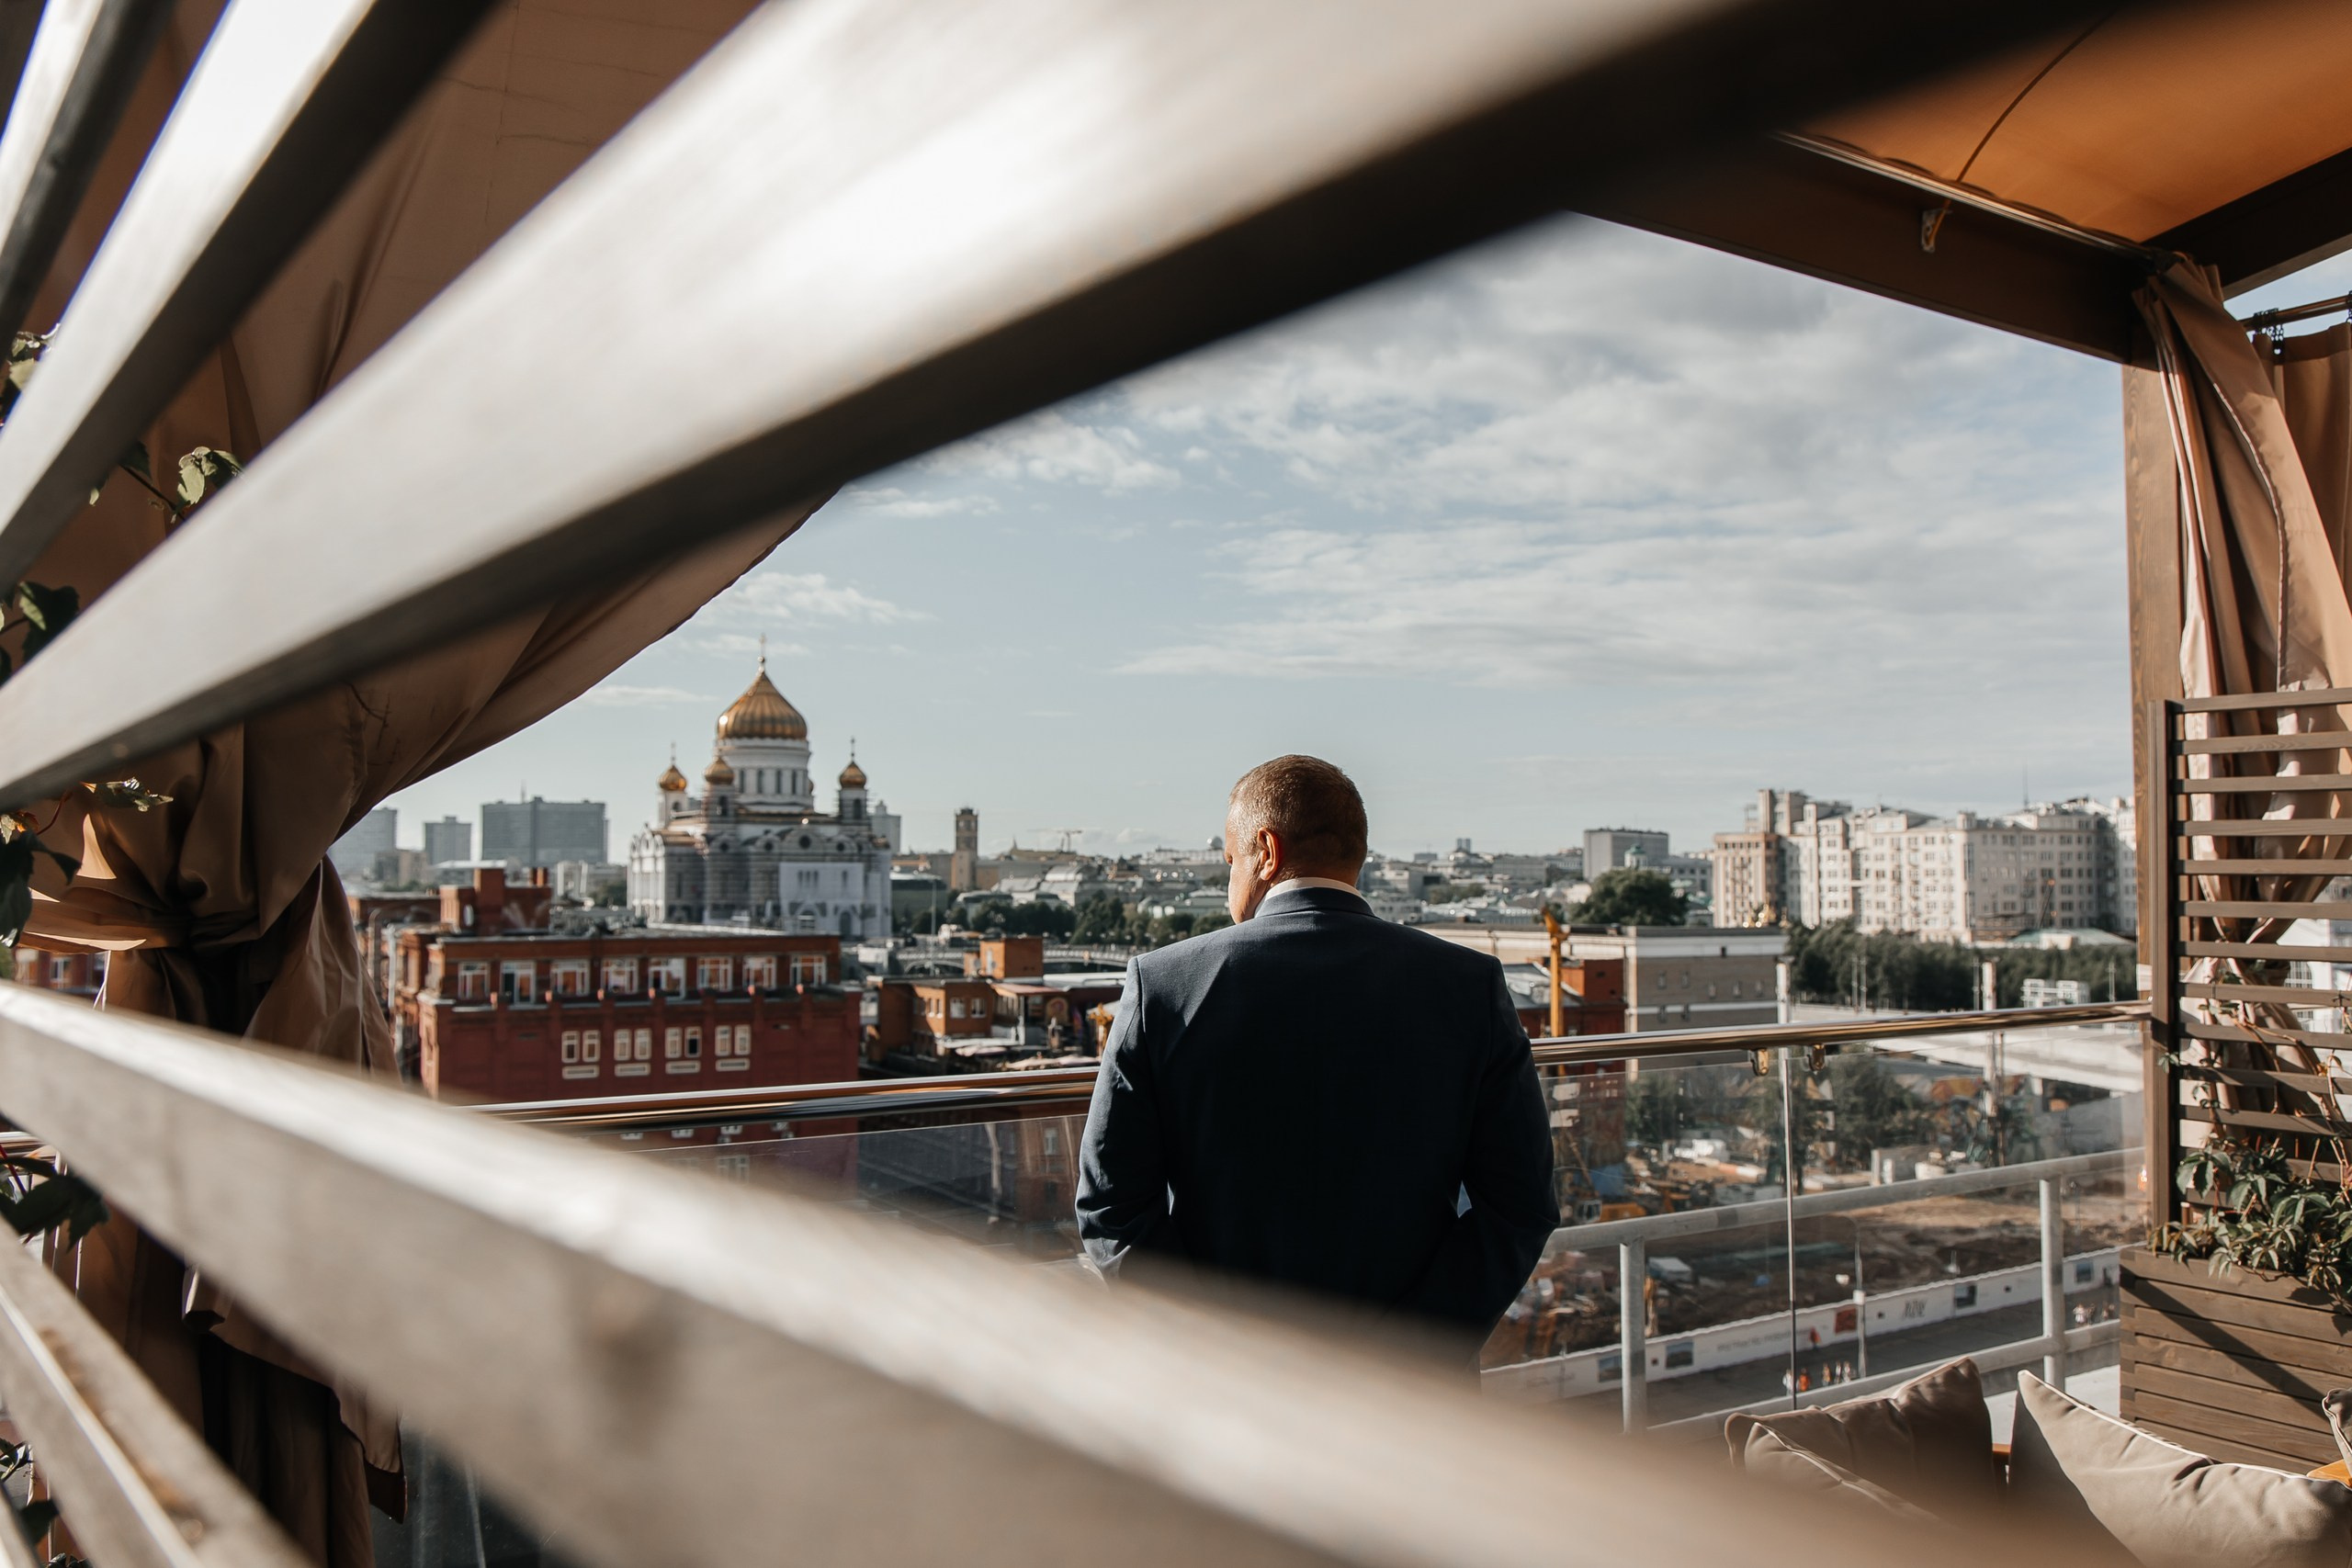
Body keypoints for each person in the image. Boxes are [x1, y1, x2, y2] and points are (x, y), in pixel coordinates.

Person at [1076, 754, 1556, 1341]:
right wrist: (1415, 1352)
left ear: (1266, 851)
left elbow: (1112, 1206)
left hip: (1229, 1372)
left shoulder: (1165, 985)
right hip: (1410, 1383)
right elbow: (1521, 1205)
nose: (1230, 884)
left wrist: (1206, 1347)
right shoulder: (1468, 984)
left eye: (1230, 862)